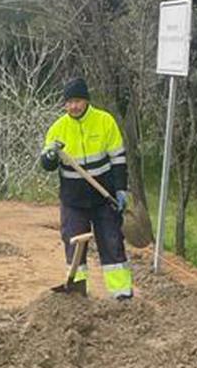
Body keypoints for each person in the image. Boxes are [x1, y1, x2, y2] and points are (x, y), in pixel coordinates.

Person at [39, 78, 133, 299]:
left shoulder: (104, 121)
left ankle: (122, 295)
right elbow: (47, 165)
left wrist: (121, 189)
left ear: (86, 100)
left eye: (78, 101)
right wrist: (50, 155)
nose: (73, 106)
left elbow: (118, 159)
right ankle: (77, 295)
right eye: (69, 102)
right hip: (73, 201)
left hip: (104, 198)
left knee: (112, 243)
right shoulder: (57, 129)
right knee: (74, 246)